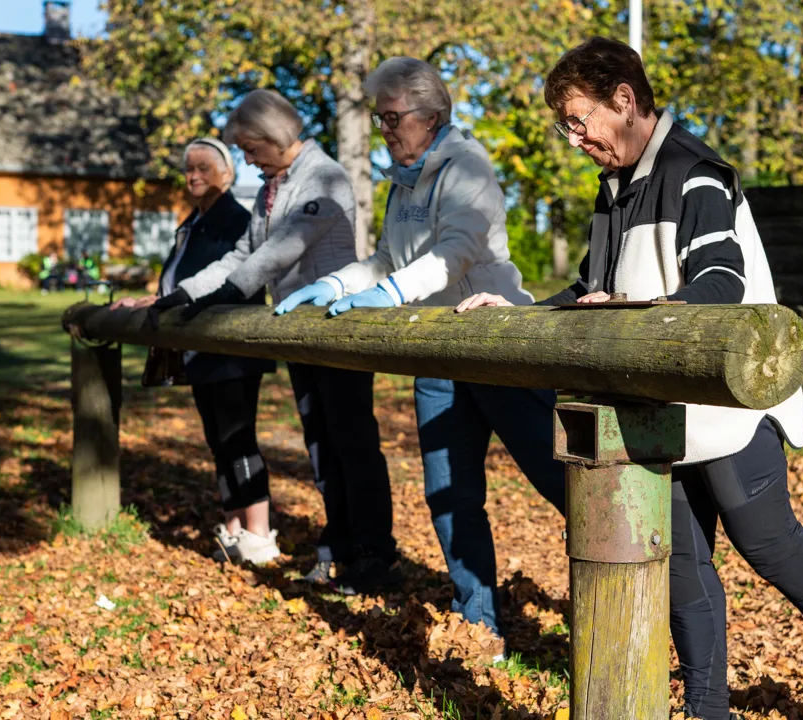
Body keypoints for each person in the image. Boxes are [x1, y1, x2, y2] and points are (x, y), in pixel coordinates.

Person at [458, 38, 803, 720]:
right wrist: (519, 310)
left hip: (732, 399)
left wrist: (626, 312)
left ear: (625, 101)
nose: (574, 137)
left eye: (580, 119)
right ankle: (707, 709)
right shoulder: (614, 187)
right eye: (567, 125)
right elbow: (594, 288)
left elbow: (720, 288)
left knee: (767, 544)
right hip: (659, 405)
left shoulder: (697, 173)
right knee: (681, 566)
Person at [275, 57, 566, 656]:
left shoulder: (468, 167)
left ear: (430, 116)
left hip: (494, 346)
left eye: (392, 119)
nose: (385, 131)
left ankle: (635, 583)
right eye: (378, 120)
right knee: (449, 494)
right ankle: (479, 622)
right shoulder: (404, 180)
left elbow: (458, 248)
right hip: (434, 350)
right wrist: (337, 285)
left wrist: (390, 294)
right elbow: (387, 258)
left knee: (560, 480)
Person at [148, 90, 398, 591]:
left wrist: (229, 292)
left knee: (352, 442)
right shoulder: (271, 185)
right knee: (320, 444)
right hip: (299, 333)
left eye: (249, 147)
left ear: (273, 137)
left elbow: (281, 251)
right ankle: (338, 543)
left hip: (336, 326)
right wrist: (183, 293)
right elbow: (244, 251)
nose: (245, 158)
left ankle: (374, 552)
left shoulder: (322, 176)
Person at [112, 138, 279, 564]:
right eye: (189, 168)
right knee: (216, 438)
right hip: (198, 346)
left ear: (227, 174)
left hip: (231, 344)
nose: (194, 175)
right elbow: (179, 279)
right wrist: (155, 300)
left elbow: (230, 278)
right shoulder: (194, 221)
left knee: (238, 436)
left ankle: (259, 534)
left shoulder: (235, 220)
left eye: (204, 167)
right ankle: (234, 526)